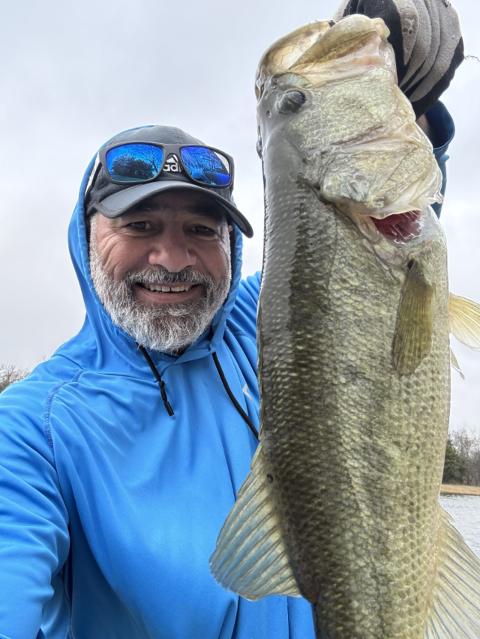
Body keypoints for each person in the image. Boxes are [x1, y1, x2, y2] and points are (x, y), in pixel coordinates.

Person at [0, 1, 463, 637]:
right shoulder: (31, 431)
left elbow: (371, 247)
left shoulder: (260, 325)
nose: (171, 259)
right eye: (140, 226)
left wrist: (411, 103)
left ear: (232, 247)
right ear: (86, 237)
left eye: (200, 230)